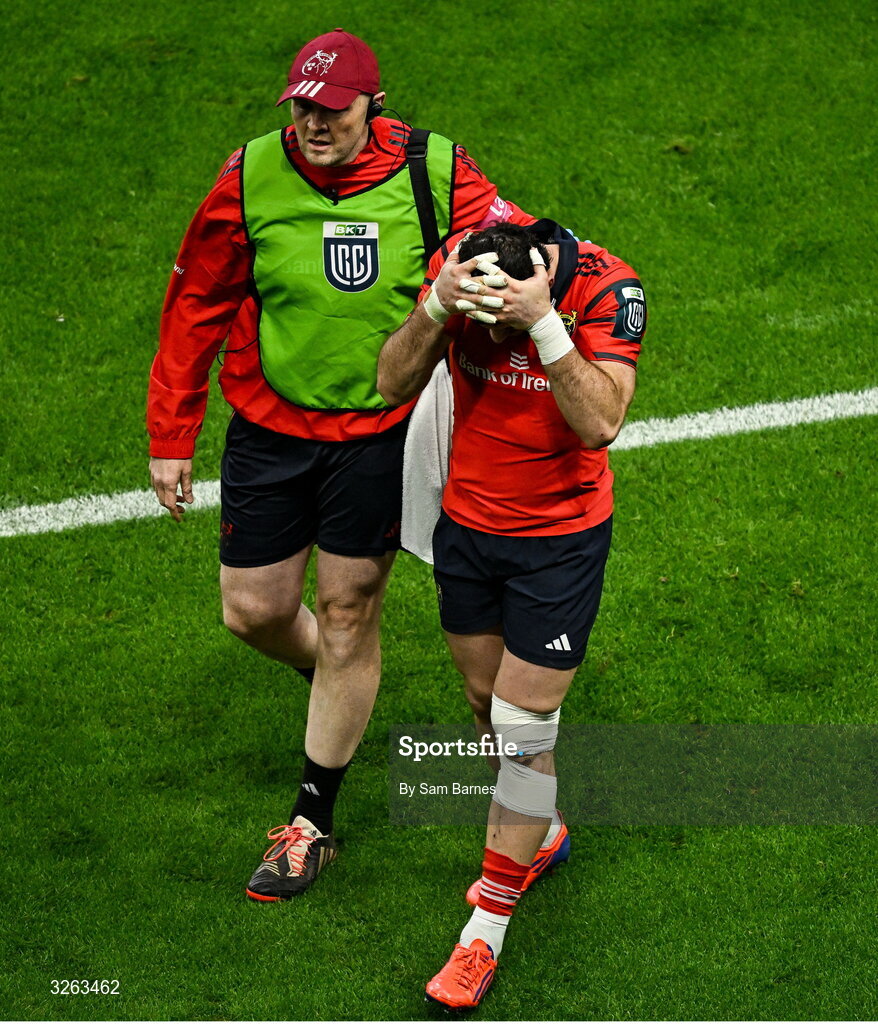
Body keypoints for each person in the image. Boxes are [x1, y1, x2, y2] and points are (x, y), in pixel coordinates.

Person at [146, 28, 534, 901]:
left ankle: (312, 821)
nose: (315, 126)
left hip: (382, 431)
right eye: (303, 110)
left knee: (349, 608)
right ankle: (335, 678)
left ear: (373, 105)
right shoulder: (249, 175)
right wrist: (172, 432)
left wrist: (564, 302)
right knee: (252, 612)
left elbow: (514, 246)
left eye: (333, 110)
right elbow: (199, 297)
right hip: (271, 425)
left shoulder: (435, 169)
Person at [377, 220, 647, 1008]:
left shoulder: (607, 288)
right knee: (484, 709)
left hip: (558, 546)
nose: (487, 324)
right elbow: (392, 383)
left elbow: (601, 422)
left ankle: (482, 935)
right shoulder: (463, 268)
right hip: (465, 528)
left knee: (524, 735)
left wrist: (541, 322)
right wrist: (437, 304)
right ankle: (544, 831)